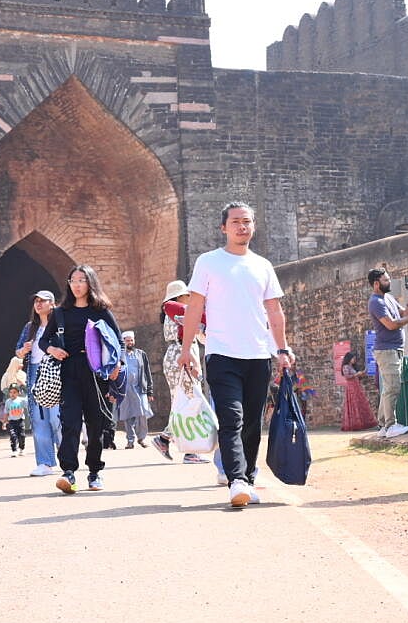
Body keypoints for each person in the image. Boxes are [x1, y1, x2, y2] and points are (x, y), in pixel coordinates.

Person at [178, 202, 294, 508]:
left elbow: (275, 311)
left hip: (257, 354)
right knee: (232, 418)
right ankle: (236, 480)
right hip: (221, 353)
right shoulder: (209, 262)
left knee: (254, 422)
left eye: (247, 222)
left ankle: (248, 479)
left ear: (253, 226)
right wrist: (187, 348)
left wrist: (281, 350)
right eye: (236, 222)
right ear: (224, 228)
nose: (242, 227)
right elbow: (195, 307)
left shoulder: (263, 266)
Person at [39, 265, 123, 494]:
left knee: (96, 425)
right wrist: (53, 351)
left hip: (96, 374)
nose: (76, 285)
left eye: (81, 280)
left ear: (90, 283)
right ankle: (68, 472)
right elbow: (43, 341)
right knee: (70, 423)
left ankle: (95, 471)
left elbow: (119, 341)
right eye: (72, 280)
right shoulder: (60, 313)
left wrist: (118, 363)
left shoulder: (101, 311)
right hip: (70, 371)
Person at [151, 280, 215, 467]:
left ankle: (165, 438)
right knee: (189, 402)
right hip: (181, 355)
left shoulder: (173, 313)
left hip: (175, 355)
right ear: (179, 296)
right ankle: (189, 451)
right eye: (186, 295)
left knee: (183, 401)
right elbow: (188, 335)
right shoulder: (177, 311)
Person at [367, 268, 408, 438]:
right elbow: (390, 324)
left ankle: (383, 425)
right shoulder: (375, 302)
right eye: (385, 280)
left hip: (394, 348)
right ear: (376, 284)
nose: (389, 282)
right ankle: (390, 425)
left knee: (388, 388)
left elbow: (402, 313)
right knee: (392, 387)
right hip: (386, 349)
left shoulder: (387, 298)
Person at [15, 290, 61, 476]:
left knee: (56, 417)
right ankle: (45, 462)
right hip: (35, 371)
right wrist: (23, 350)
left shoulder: (59, 324)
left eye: (43, 301)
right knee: (39, 418)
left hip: (55, 370)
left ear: (52, 303)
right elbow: (17, 352)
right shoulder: (30, 328)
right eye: (36, 301)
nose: (39, 304)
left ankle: (66, 457)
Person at [114, 330, 154, 449]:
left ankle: (141, 438)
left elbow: (147, 373)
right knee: (127, 416)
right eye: (127, 341)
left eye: (131, 340)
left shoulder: (141, 354)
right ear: (123, 342)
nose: (130, 342)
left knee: (142, 414)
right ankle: (130, 440)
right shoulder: (119, 356)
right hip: (124, 390)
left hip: (140, 389)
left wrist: (149, 391)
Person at [339, 351, 377, 431]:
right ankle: (354, 423)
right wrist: (357, 374)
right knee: (353, 403)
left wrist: (362, 373)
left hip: (356, 386)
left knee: (359, 403)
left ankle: (362, 422)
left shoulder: (352, 367)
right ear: (349, 359)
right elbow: (347, 376)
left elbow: (355, 376)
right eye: (353, 358)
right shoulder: (346, 366)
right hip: (351, 387)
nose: (354, 360)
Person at [2, 385, 28, 456]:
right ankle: (14, 450)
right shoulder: (8, 402)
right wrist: (4, 422)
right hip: (11, 422)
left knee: (21, 436)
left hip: (20, 421)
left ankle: (21, 449)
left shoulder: (21, 400)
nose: (12, 394)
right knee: (13, 436)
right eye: (10, 392)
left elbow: (28, 405)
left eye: (14, 392)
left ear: (18, 393)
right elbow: (6, 412)